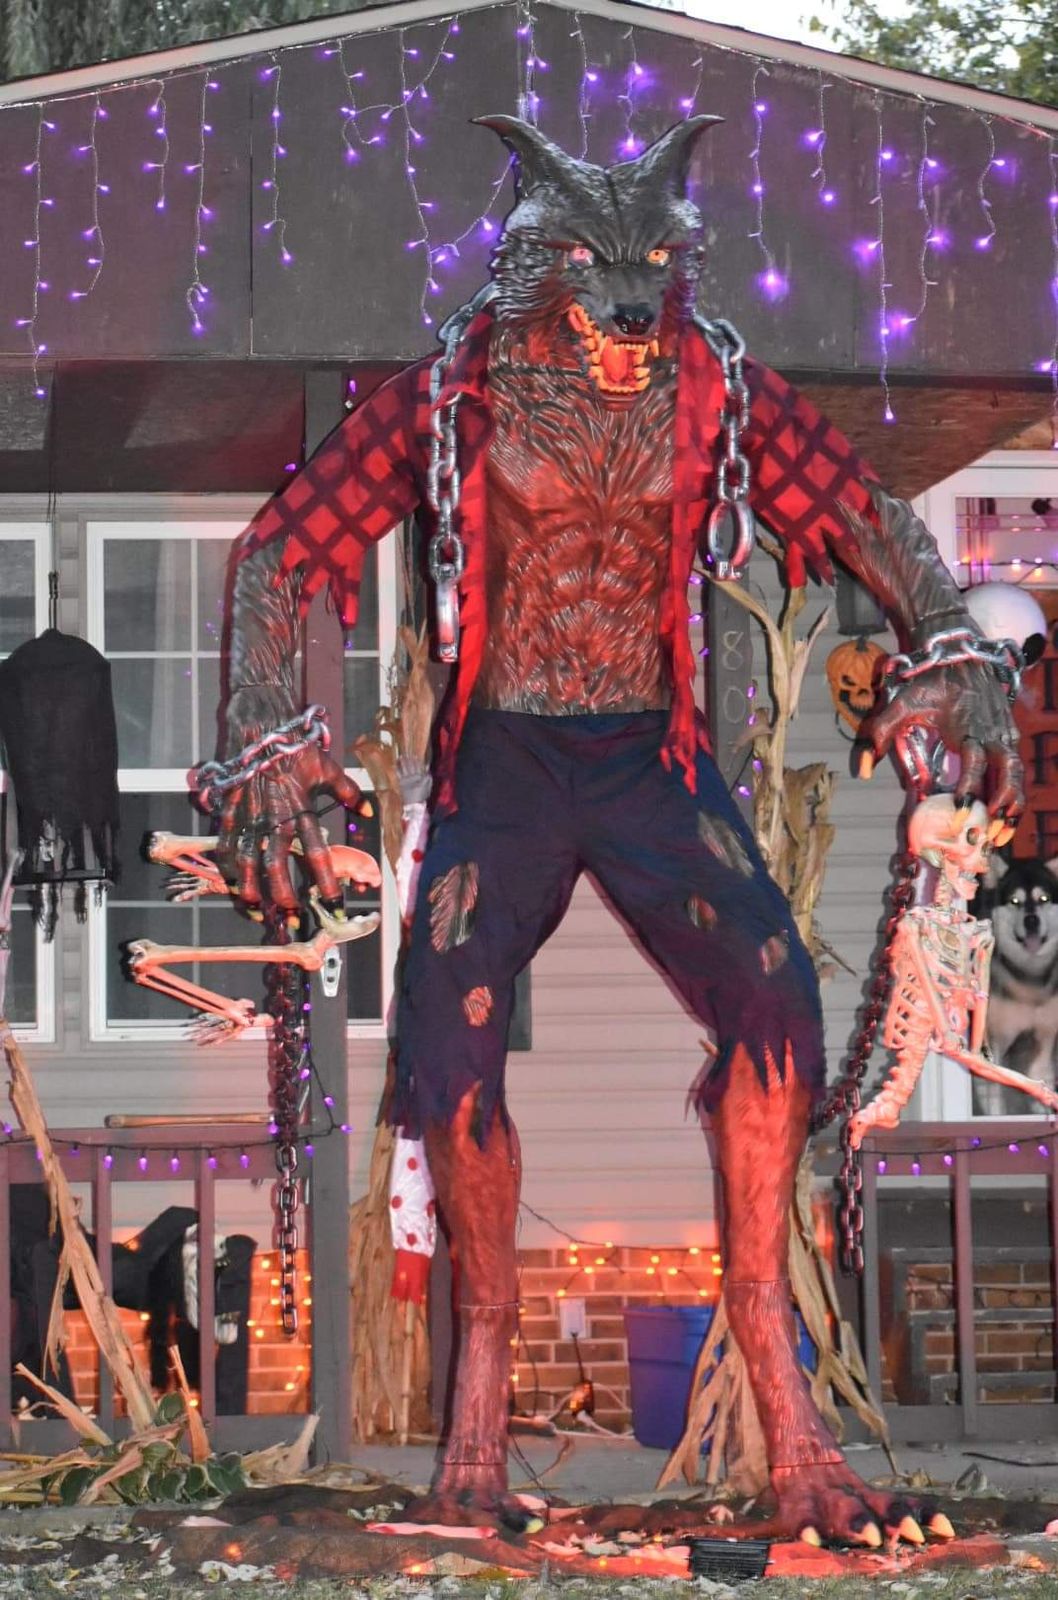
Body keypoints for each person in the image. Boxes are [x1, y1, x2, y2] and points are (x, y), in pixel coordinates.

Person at [214, 115, 1021, 1542]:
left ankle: (795, 1438)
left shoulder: (712, 386)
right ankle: (473, 1444)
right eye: (597, 268)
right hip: (505, 763)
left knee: (775, 1005)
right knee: (449, 1042)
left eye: (653, 265)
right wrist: (267, 738)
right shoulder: (452, 394)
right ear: (540, 268)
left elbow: (867, 514)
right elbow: (284, 549)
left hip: (654, 757)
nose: (632, 302)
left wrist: (951, 636)